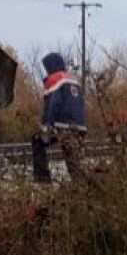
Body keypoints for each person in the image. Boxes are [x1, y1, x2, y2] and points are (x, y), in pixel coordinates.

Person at [32, 51, 87, 183]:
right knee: (72, 155)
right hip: (80, 126)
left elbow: (53, 103)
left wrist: (46, 125)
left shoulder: (54, 79)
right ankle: (80, 183)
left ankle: (42, 179)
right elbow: (81, 104)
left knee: (37, 141)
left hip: (62, 125)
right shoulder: (74, 79)